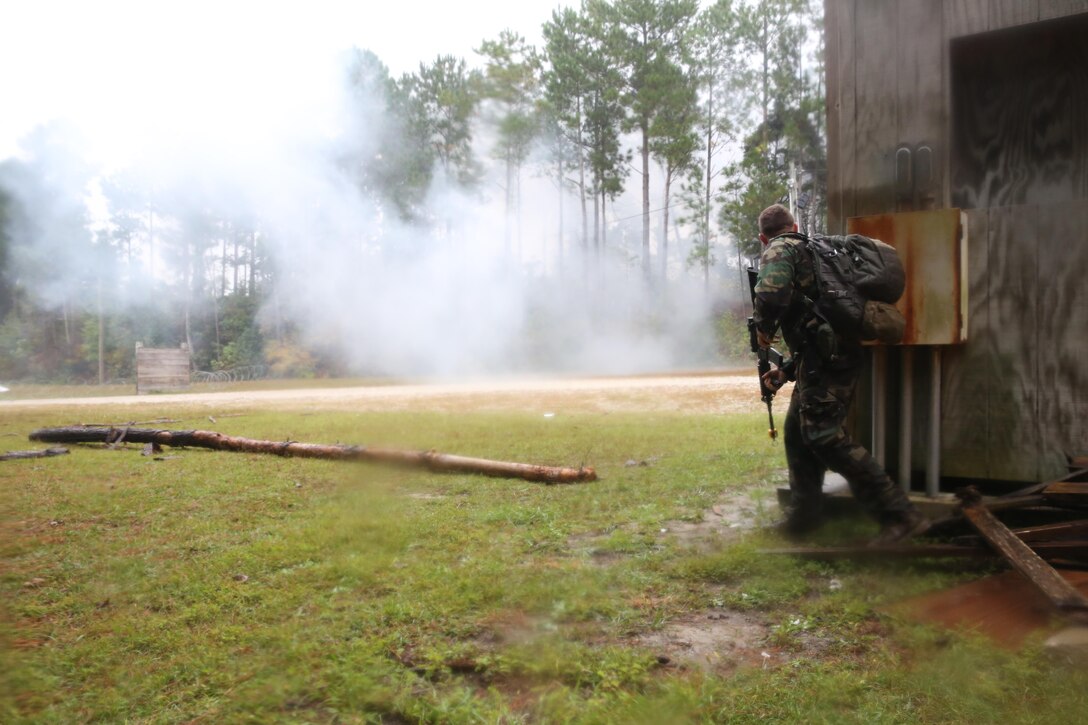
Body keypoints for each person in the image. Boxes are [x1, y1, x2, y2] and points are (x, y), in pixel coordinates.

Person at [752, 203, 929, 544]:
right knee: (797, 433)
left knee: (823, 435)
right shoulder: (817, 251)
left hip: (828, 360)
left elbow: (771, 294)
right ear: (795, 225)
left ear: (763, 238)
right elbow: (817, 320)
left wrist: (763, 329)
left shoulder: (780, 249)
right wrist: (786, 371)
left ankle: (901, 515)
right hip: (824, 356)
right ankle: (805, 516)